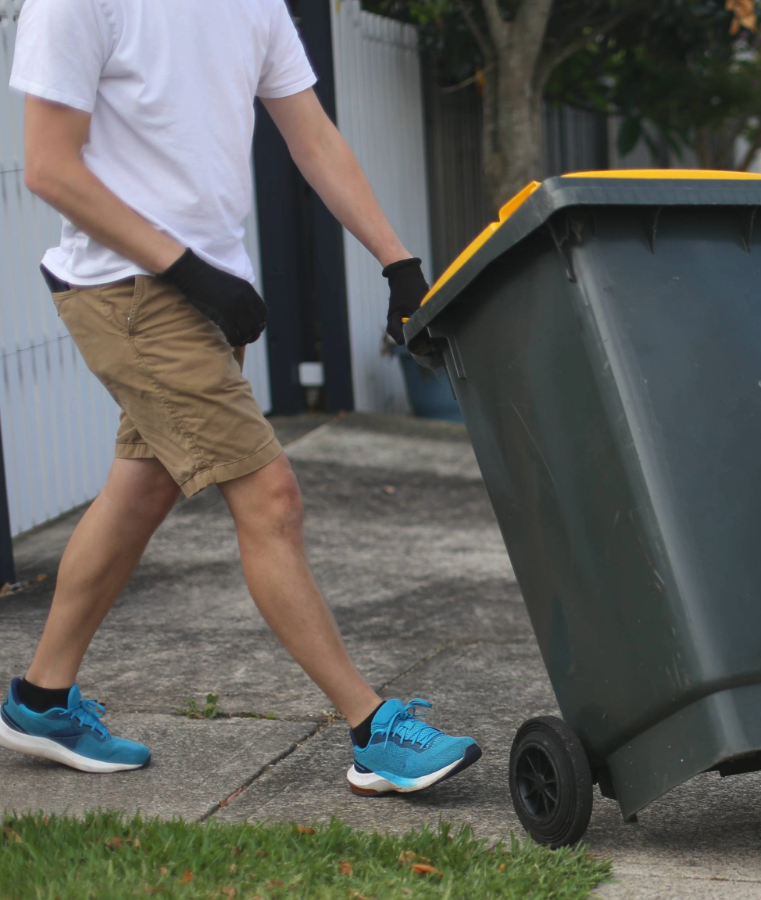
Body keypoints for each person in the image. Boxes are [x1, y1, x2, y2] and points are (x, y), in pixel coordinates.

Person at [0, 0, 480, 795]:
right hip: (132, 290)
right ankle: (372, 731)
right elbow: (51, 167)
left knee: (141, 489)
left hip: (211, 290)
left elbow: (312, 135)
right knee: (271, 498)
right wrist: (189, 271)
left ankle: (41, 702)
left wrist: (399, 264)